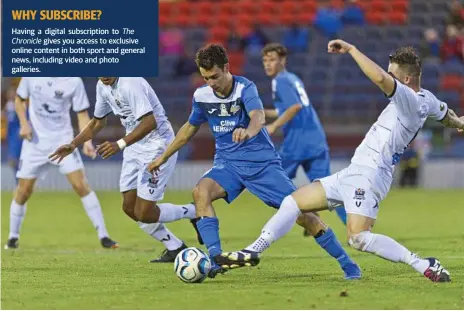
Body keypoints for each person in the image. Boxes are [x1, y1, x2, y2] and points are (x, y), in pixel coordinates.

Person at [222, 40, 464, 283]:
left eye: (394, 75)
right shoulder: (428, 99)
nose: (390, 77)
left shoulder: (409, 100)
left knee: (359, 238)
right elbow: (447, 115)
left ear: (407, 79)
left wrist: (352, 50)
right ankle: (253, 250)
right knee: (292, 202)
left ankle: (422, 263)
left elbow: (379, 77)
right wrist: (461, 123)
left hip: (371, 175)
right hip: (354, 171)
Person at [148, 44, 361, 279]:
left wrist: (249, 131)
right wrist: (163, 157)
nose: (211, 82)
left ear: (227, 68)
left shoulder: (244, 87)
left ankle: (347, 263)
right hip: (228, 165)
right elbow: (189, 128)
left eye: (215, 76)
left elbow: (257, 116)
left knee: (303, 215)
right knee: (200, 192)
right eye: (205, 77)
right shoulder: (201, 95)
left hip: (262, 166)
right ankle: (217, 258)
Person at [49, 77, 197, 262]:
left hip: (157, 146)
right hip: (134, 146)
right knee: (129, 207)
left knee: (144, 213)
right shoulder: (102, 86)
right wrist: (73, 145)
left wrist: (119, 144)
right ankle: (175, 246)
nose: (103, 75)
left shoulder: (130, 83)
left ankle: (193, 211)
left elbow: (150, 122)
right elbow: (97, 123)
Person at [5, 77, 117, 250]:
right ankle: (13, 237)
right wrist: (24, 124)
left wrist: (86, 142)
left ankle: (104, 236)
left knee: (81, 185)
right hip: (35, 143)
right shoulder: (31, 74)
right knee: (23, 191)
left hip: (63, 142)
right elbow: (19, 100)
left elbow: (82, 114)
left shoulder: (74, 81)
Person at [262, 42, 347, 227]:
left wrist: (273, 126)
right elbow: (285, 109)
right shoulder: (292, 78)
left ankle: (308, 213)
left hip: (297, 142)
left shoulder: (280, 81)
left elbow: (295, 106)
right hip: (315, 139)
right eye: (265, 60)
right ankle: (354, 226)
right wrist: (263, 113)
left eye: (272, 60)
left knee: (273, 181)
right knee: (329, 191)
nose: (268, 64)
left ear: (283, 60)